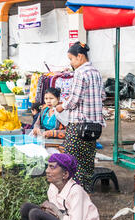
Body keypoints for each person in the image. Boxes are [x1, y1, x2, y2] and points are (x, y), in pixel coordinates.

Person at [21, 153, 99, 220]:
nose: (47, 171)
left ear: (65, 174)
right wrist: (50, 211)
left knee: (35, 214)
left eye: (52, 167)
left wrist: (54, 210)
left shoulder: (76, 192)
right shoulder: (53, 187)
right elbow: (55, 216)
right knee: (26, 208)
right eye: (48, 166)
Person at [55, 42, 105, 192]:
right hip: (94, 126)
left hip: (79, 125)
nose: (71, 63)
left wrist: (61, 106)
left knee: (71, 159)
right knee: (87, 159)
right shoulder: (96, 72)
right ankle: (86, 191)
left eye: (71, 59)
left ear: (80, 56)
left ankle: (73, 192)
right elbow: (102, 95)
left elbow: (74, 99)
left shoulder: (80, 72)